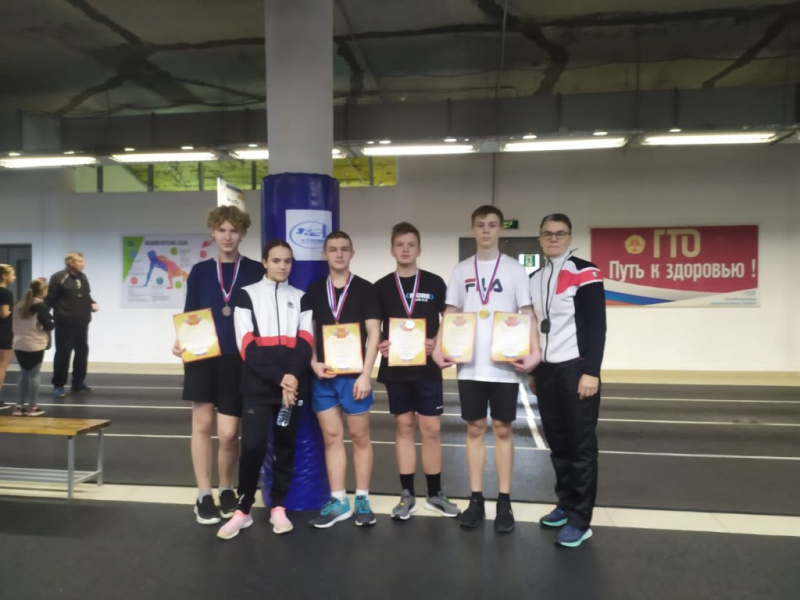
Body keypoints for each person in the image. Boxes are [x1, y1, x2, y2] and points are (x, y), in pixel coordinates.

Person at [433, 205, 540, 533]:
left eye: (492, 225)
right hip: (469, 365)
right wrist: (438, 346)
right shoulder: (461, 270)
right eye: (480, 225)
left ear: (500, 229)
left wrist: (535, 351)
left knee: (504, 430)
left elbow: (527, 312)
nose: (486, 231)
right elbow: (451, 311)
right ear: (473, 228)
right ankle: (476, 499)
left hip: (504, 365)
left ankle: (504, 501)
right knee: (475, 429)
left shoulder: (515, 270)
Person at [217, 240, 314, 540]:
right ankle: (243, 509)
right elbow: (246, 344)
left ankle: (278, 506)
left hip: (291, 387)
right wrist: (281, 378)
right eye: (276, 260)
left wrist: (292, 378)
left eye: (287, 261)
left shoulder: (301, 297)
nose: (282, 266)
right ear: (264, 262)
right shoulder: (247, 295)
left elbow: (306, 341)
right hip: (259, 387)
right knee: (253, 447)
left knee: (285, 447)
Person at [174, 205, 264, 525]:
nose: (227, 236)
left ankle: (226, 488)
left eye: (234, 230)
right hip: (202, 357)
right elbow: (190, 314)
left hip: (237, 360)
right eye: (222, 230)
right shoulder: (200, 271)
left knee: (228, 434)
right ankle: (203, 494)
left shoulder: (255, 270)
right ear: (212, 233)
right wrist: (181, 341)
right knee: (201, 426)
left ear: (243, 234)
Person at [529, 213, 606, 548]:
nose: (553, 238)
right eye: (548, 234)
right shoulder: (534, 277)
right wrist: (534, 371)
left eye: (560, 233)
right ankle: (565, 503)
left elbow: (597, 325)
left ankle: (580, 519)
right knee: (558, 444)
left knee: (580, 446)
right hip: (547, 371)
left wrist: (592, 371)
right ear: (540, 239)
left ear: (569, 237)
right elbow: (533, 327)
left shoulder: (585, 272)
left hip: (576, 369)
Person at [375, 222, 459, 520]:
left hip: (427, 368)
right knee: (404, 428)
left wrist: (437, 342)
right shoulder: (381, 287)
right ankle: (407, 494)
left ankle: (435, 494)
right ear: (392, 250)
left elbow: (451, 319)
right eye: (400, 244)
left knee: (431, 430)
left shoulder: (434, 283)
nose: (406, 249)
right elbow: (372, 327)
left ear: (419, 249)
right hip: (396, 368)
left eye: (411, 244)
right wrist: (382, 343)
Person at [301, 231, 381, 528]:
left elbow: (374, 334)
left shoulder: (366, 289)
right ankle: (339, 501)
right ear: (325, 254)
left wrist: (366, 375)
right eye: (333, 249)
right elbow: (307, 333)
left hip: (355, 379)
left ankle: (362, 498)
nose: (338, 254)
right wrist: (313, 363)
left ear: (352, 253)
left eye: (344, 249)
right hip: (325, 377)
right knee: (332, 438)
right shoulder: (313, 291)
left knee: (360, 437)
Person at [45, 252, 99, 398]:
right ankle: (58, 385)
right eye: (80, 261)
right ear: (70, 262)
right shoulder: (59, 278)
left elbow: (86, 296)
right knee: (63, 353)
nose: (83, 264)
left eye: (83, 261)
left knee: (82, 351)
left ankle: (78, 382)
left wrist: (92, 303)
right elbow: (50, 299)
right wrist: (43, 318)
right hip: (65, 322)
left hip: (82, 321)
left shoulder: (83, 277)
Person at [11, 278, 54, 416]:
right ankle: (33, 407)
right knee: (34, 375)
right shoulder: (40, 306)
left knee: (23, 374)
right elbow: (48, 325)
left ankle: (19, 406)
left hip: (19, 344)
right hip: (35, 344)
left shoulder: (18, 305)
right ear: (43, 291)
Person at [0, 264, 16, 410]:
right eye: (12, 274)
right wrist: (14, 311)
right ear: (4, 276)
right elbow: (4, 313)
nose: (14, 277)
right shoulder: (6, 293)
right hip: (3, 332)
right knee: (2, 366)